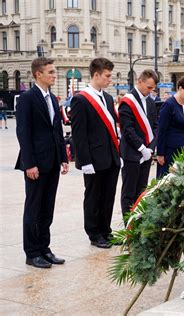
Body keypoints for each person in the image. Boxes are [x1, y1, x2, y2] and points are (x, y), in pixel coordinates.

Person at [15, 57, 69, 268]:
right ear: (39, 74)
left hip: (52, 161)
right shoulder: (28, 98)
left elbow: (56, 130)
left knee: (47, 207)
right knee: (33, 207)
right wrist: (29, 163)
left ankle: (45, 248)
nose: (55, 75)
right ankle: (32, 252)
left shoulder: (52, 99)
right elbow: (23, 132)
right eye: (51, 72)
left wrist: (63, 157)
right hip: (35, 163)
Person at [70, 58, 120, 248]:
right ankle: (94, 233)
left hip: (111, 157)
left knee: (108, 196)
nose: (110, 80)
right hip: (94, 159)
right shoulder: (81, 99)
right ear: (96, 75)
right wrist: (85, 161)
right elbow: (79, 134)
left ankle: (106, 231)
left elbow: (112, 129)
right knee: (93, 197)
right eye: (107, 76)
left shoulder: (107, 98)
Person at [118, 70, 159, 220]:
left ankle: (140, 223)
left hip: (147, 153)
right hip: (132, 153)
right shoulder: (127, 101)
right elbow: (127, 129)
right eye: (148, 87)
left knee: (141, 191)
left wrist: (151, 147)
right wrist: (141, 148)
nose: (150, 91)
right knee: (129, 192)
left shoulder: (150, 101)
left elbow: (155, 126)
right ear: (139, 81)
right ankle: (129, 227)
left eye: (152, 88)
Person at [156, 74, 184, 177]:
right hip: (169, 150)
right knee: (167, 179)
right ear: (180, 88)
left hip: (183, 148)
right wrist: (160, 153)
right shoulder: (169, 104)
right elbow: (161, 130)